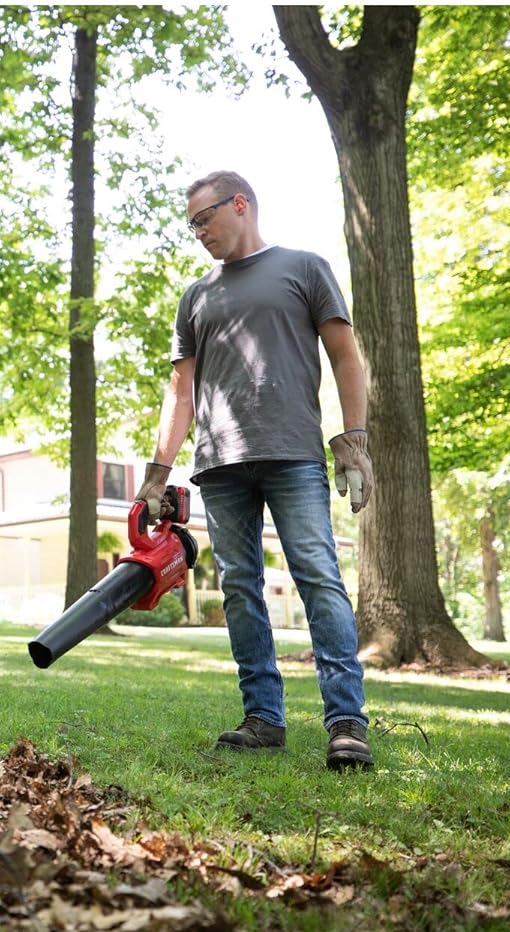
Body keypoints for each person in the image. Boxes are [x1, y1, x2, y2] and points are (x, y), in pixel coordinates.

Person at [137, 170, 375, 771]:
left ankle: (346, 723)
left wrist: (354, 439)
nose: (196, 232)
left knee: (319, 578)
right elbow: (180, 390)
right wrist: (157, 473)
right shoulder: (196, 296)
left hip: (293, 454)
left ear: (240, 204)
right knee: (240, 590)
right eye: (189, 223)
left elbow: (347, 356)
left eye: (203, 218)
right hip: (220, 467)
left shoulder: (304, 267)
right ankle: (264, 718)